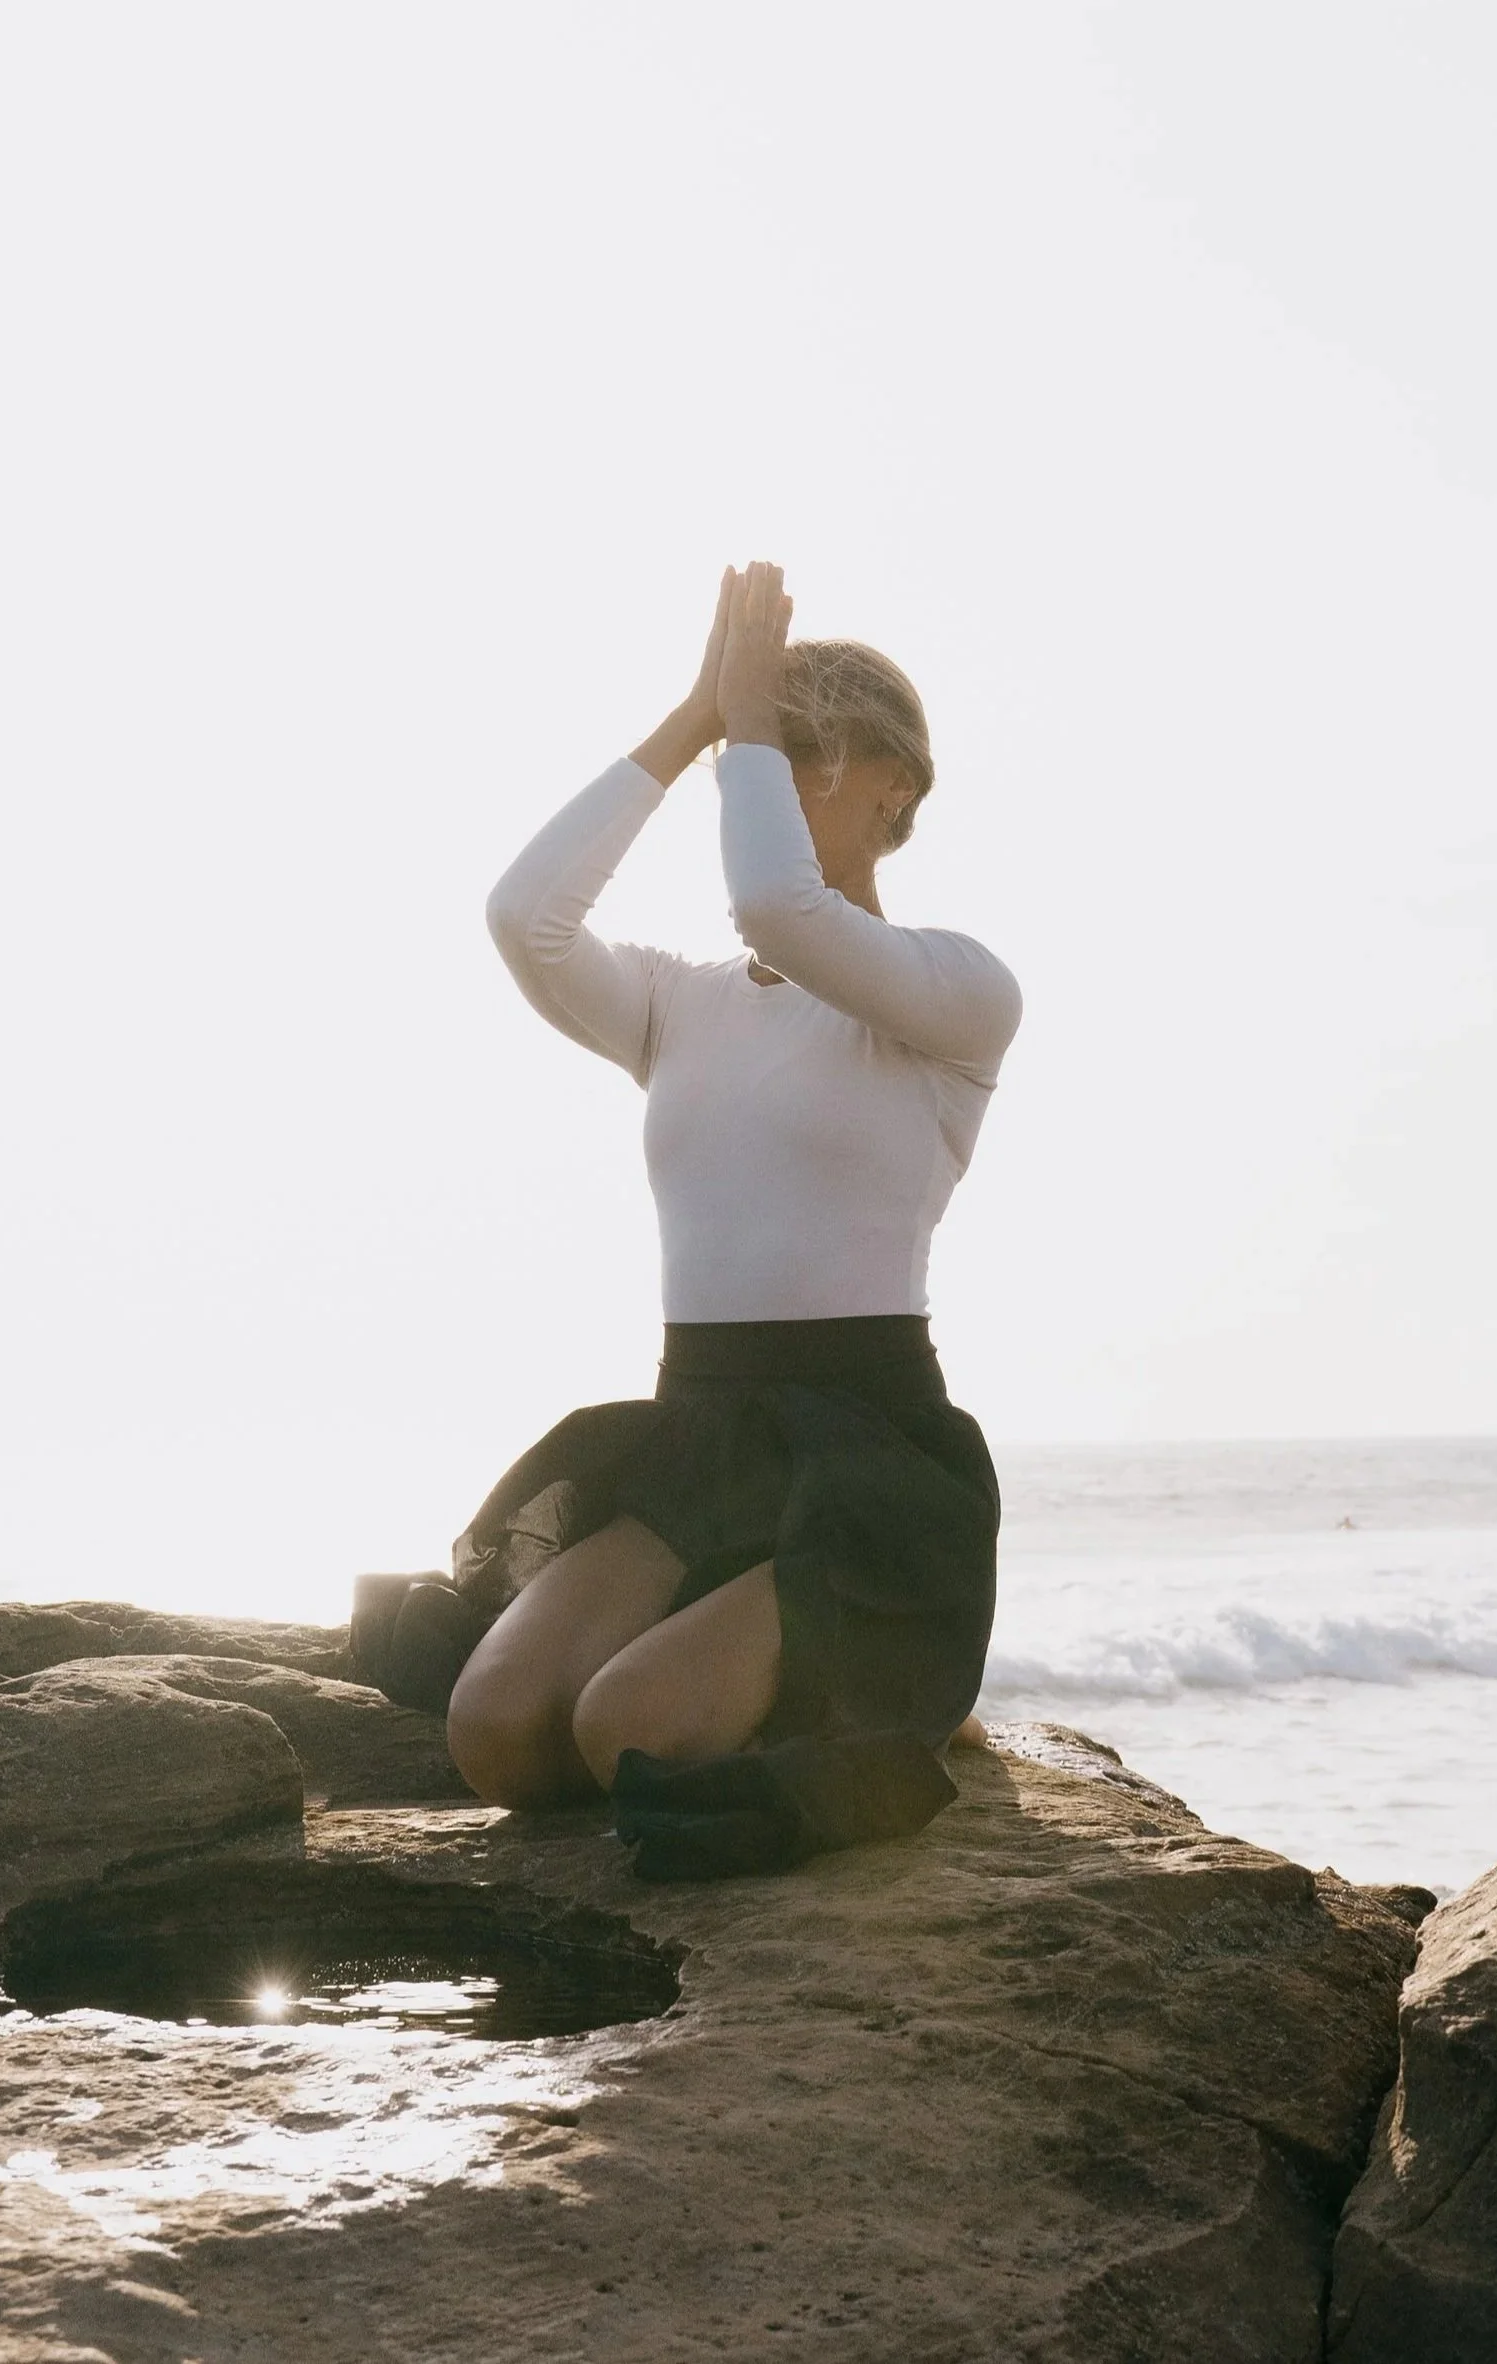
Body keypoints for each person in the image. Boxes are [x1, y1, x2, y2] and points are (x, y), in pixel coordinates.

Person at [361, 562, 1022, 1877]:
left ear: (895, 784)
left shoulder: (953, 994)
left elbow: (777, 901)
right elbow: (523, 917)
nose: (758, 779)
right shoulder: (678, 1003)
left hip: (865, 1461)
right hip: (698, 1438)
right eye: (745, 757)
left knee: (632, 1732)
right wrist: (689, 719)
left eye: (797, 753)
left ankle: (853, 1684)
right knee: (496, 1732)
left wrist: (749, 714)